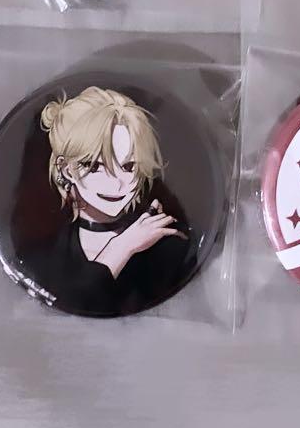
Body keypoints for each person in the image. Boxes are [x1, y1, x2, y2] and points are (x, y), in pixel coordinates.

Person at [29, 86, 189, 316]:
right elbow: (75, 304)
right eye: (95, 166)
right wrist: (122, 247)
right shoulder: (40, 259)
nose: (117, 183)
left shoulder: (170, 246)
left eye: (129, 166)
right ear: (66, 169)